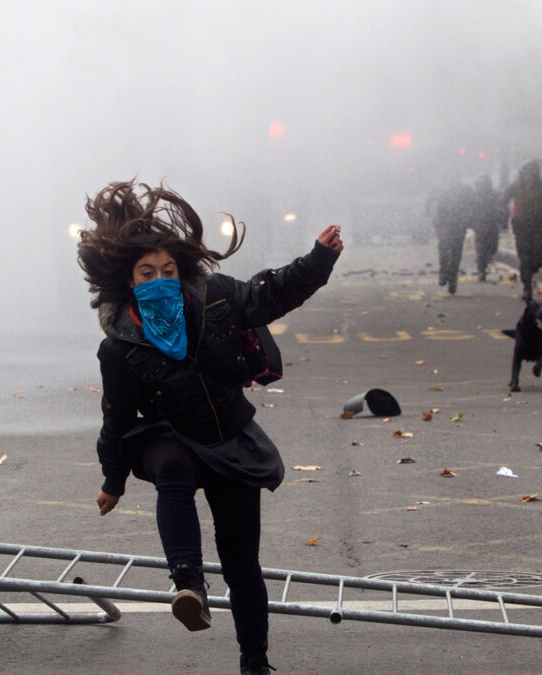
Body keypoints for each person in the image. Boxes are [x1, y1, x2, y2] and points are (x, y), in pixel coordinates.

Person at [76, 181, 341, 675]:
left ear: (182, 272)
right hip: (165, 438)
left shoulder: (215, 298)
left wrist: (318, 260)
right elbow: (115, 418)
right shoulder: (119, 347)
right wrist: (113, 480)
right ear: (128, 280)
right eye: (147, 272)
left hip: (228, 437)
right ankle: (189, 586)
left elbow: (270, 295)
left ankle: (255, 661)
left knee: (243, 563)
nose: (159, 279)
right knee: (172, 463)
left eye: (168, 271)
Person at [503, 160, 542, 300]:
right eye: (527, 174)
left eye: (532, 174)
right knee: (524, 258)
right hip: (521, 226)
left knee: (539, 257)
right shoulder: (516, 187)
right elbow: (503, 199)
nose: (529, 177)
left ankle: (533, 268)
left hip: (538, 227)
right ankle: (527, 286)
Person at [432, 179, 473, 295]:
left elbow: (472, 207)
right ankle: (446, 274)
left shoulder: (461, 191)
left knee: (451, 251)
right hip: (448, 225)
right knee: (450, 251)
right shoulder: (443, 191)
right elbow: (435, 208)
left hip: (456, 226)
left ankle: (449, 276)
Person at [472, 175, 506, 282]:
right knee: (481, 249)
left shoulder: (494, 195)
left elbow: (501, 208)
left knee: (492, 248)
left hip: (492, 225)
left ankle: (484, 264)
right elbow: (471, 209)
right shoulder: (476, 196)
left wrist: (501, 219)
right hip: (481, 225)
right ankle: (481, 270)